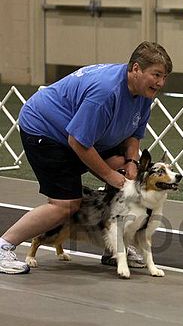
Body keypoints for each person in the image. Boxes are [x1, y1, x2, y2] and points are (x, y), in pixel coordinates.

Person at [0, 41, 173, 274]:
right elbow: (78, 142)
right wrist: (110, 176)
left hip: (85, 135)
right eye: (156, 75)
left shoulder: (144, 93)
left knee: (123, 167)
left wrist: (131, 163)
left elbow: (133, 135)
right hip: (46, 131)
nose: (161, 83)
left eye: (165, 77)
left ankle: (114, 247)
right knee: (66, 205)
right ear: (135, 69)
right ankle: (4, 245)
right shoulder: (105, 93)